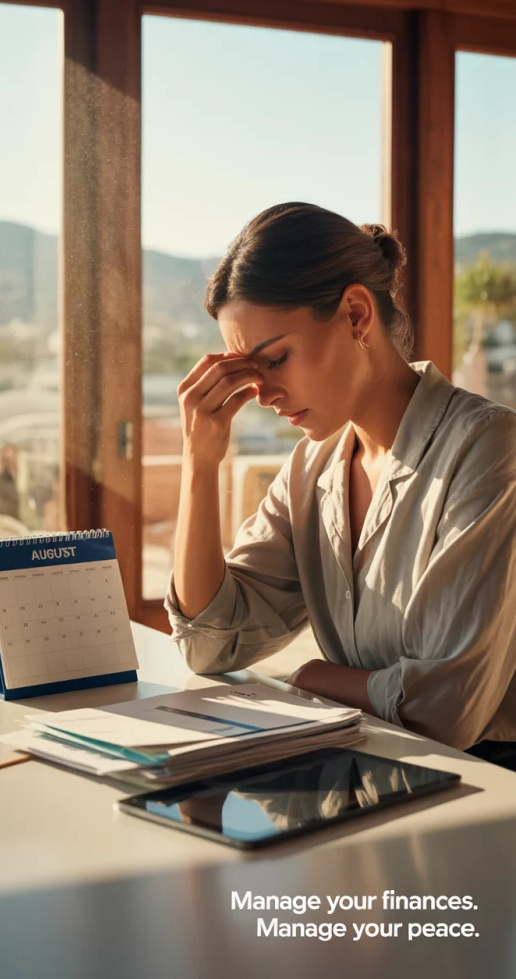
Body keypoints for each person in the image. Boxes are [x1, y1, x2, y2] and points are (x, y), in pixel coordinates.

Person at [164, 201, 516, 769]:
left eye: (275, 358)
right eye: (247, 371)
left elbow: (448, 708)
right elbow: (210, 643)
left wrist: (311, 677)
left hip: (486, 794)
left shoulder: (488, 448)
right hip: (364, 779)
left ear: (356, 315)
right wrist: (198, 466)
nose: (262, 393)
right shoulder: (311, 469)